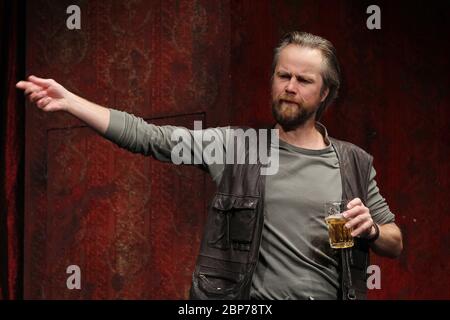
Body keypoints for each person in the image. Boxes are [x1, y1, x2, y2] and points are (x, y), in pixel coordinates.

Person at [16, 31, 402, 300]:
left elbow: (394, 241)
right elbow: (152, 138)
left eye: (303, 80)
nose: (290, 86)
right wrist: (72, 102)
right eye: (283, 75)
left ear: (325, 93)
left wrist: (370, 231)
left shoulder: (351, 161)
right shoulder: (238, 147)